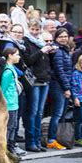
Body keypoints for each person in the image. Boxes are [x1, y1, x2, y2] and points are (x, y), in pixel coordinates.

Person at [23, 21, 54, 152]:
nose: (35, 32)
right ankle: (30, 142)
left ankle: (37, 141)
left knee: (39, 113)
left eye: (37, 29)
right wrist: (42, 50)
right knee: (33, 113)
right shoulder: (26, 41)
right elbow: (29, 60)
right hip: (34, 81)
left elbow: (48, 63)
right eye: (33, 29)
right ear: (29, 29)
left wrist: (51, 52)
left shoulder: (42, 41)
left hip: (44, 80)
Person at [47, 28, 72, 150]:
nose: (63, 38)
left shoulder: (63, 50)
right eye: (61, 36)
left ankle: (58, 138)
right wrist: (66, 88)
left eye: (65, 36)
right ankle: (51, 139)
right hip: (57, 84)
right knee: (57, 113)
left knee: (61, 113)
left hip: (63, 84)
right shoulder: (57, 51)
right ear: (56, 38)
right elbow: (59, 71)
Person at [0, 47, 25, 156]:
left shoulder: (12, 68)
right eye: (17, 54)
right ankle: (5, 148)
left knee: (14, 126)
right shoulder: (8, 71)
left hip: (14, 102)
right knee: (9, 127)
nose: (19, 57)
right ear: (10, 55)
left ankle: (11, 146)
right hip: (8, 104)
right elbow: (2, 89)